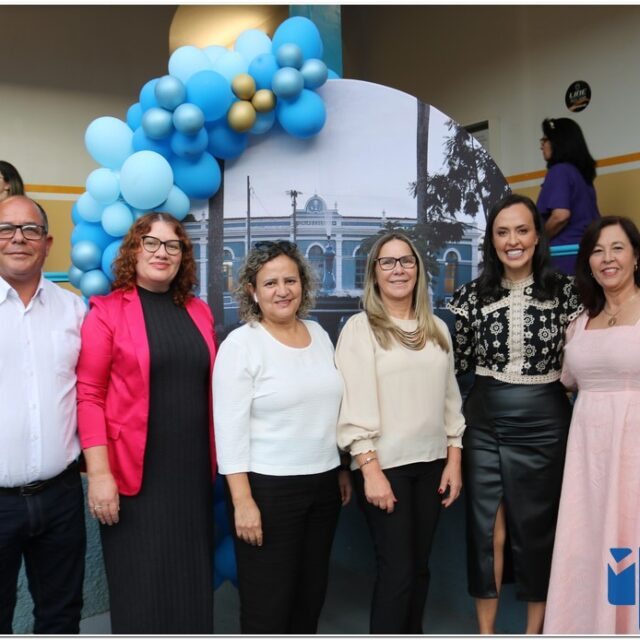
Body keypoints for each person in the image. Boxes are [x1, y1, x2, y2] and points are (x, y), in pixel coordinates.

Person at [447, 193, 581, 634]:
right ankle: (486, 634)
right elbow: (458, 367)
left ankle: (532, 633)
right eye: (502, 232)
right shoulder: (469, 297)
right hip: (483, 423)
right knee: (487, 530)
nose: (513, 241)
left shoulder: (567, 293)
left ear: (537, 235)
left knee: (537, 529)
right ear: (491, 240)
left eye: (522, 230)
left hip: (546, 423)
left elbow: (581, 362)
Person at [76, 212, 217, 634]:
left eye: (172, 245)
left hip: (192, 475)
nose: (161, 253)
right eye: (150, 243)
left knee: (191, 585)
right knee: (141, 590)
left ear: (182, 256)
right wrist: (100, 474)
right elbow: (89, 395)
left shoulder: (199, 311)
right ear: (133, 251)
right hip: (133, 478)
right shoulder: (106, 312)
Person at [213, 240, 351, 634]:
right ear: (253, 291)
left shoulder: (319, 334)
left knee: (309, 598)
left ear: (303, 285)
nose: (282, 290)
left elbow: (329, 411)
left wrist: (341, 467)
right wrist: (243, 502)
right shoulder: (241, 345)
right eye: (270, 283)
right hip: (268, 491)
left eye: (290, 280)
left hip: (323, 486)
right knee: (268, 607)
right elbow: (229, 431)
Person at [336, 231, 465, 634]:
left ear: (418, 269)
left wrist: (454, 460)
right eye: (387, 262)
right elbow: (352, 405)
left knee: (420, 569)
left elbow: (450, 400)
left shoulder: (437, 329)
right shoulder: (360, 329)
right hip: (384, 467)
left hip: (432, 465)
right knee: (398, 572)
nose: (398, 270)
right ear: (374, 273)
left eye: (406, 261)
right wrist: (370, 469)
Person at [544, 216, 640, 634]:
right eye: (597, 251)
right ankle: (591, 625)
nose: (607, 259)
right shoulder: (579, 322)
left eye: (617, 248)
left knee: (627, 541)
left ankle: (625, 623)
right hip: (588, 457)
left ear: (636, 257)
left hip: (633, 452)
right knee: (589, 540)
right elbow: (569, 380)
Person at [0, 196, 86, 633]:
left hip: (61, 497)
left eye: (30, 229)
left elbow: (91, 393)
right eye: (6, 229)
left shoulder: (74, 310)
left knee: (61, 616)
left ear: (47, 243)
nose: (18, 238)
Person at [537, 117, 600, 274]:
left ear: (558, 142)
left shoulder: (559, 171)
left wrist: (538, 241)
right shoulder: (582, 176)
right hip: (588, 250)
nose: (541, 145)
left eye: (545, 140)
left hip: (565, 255)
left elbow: (560, 216)